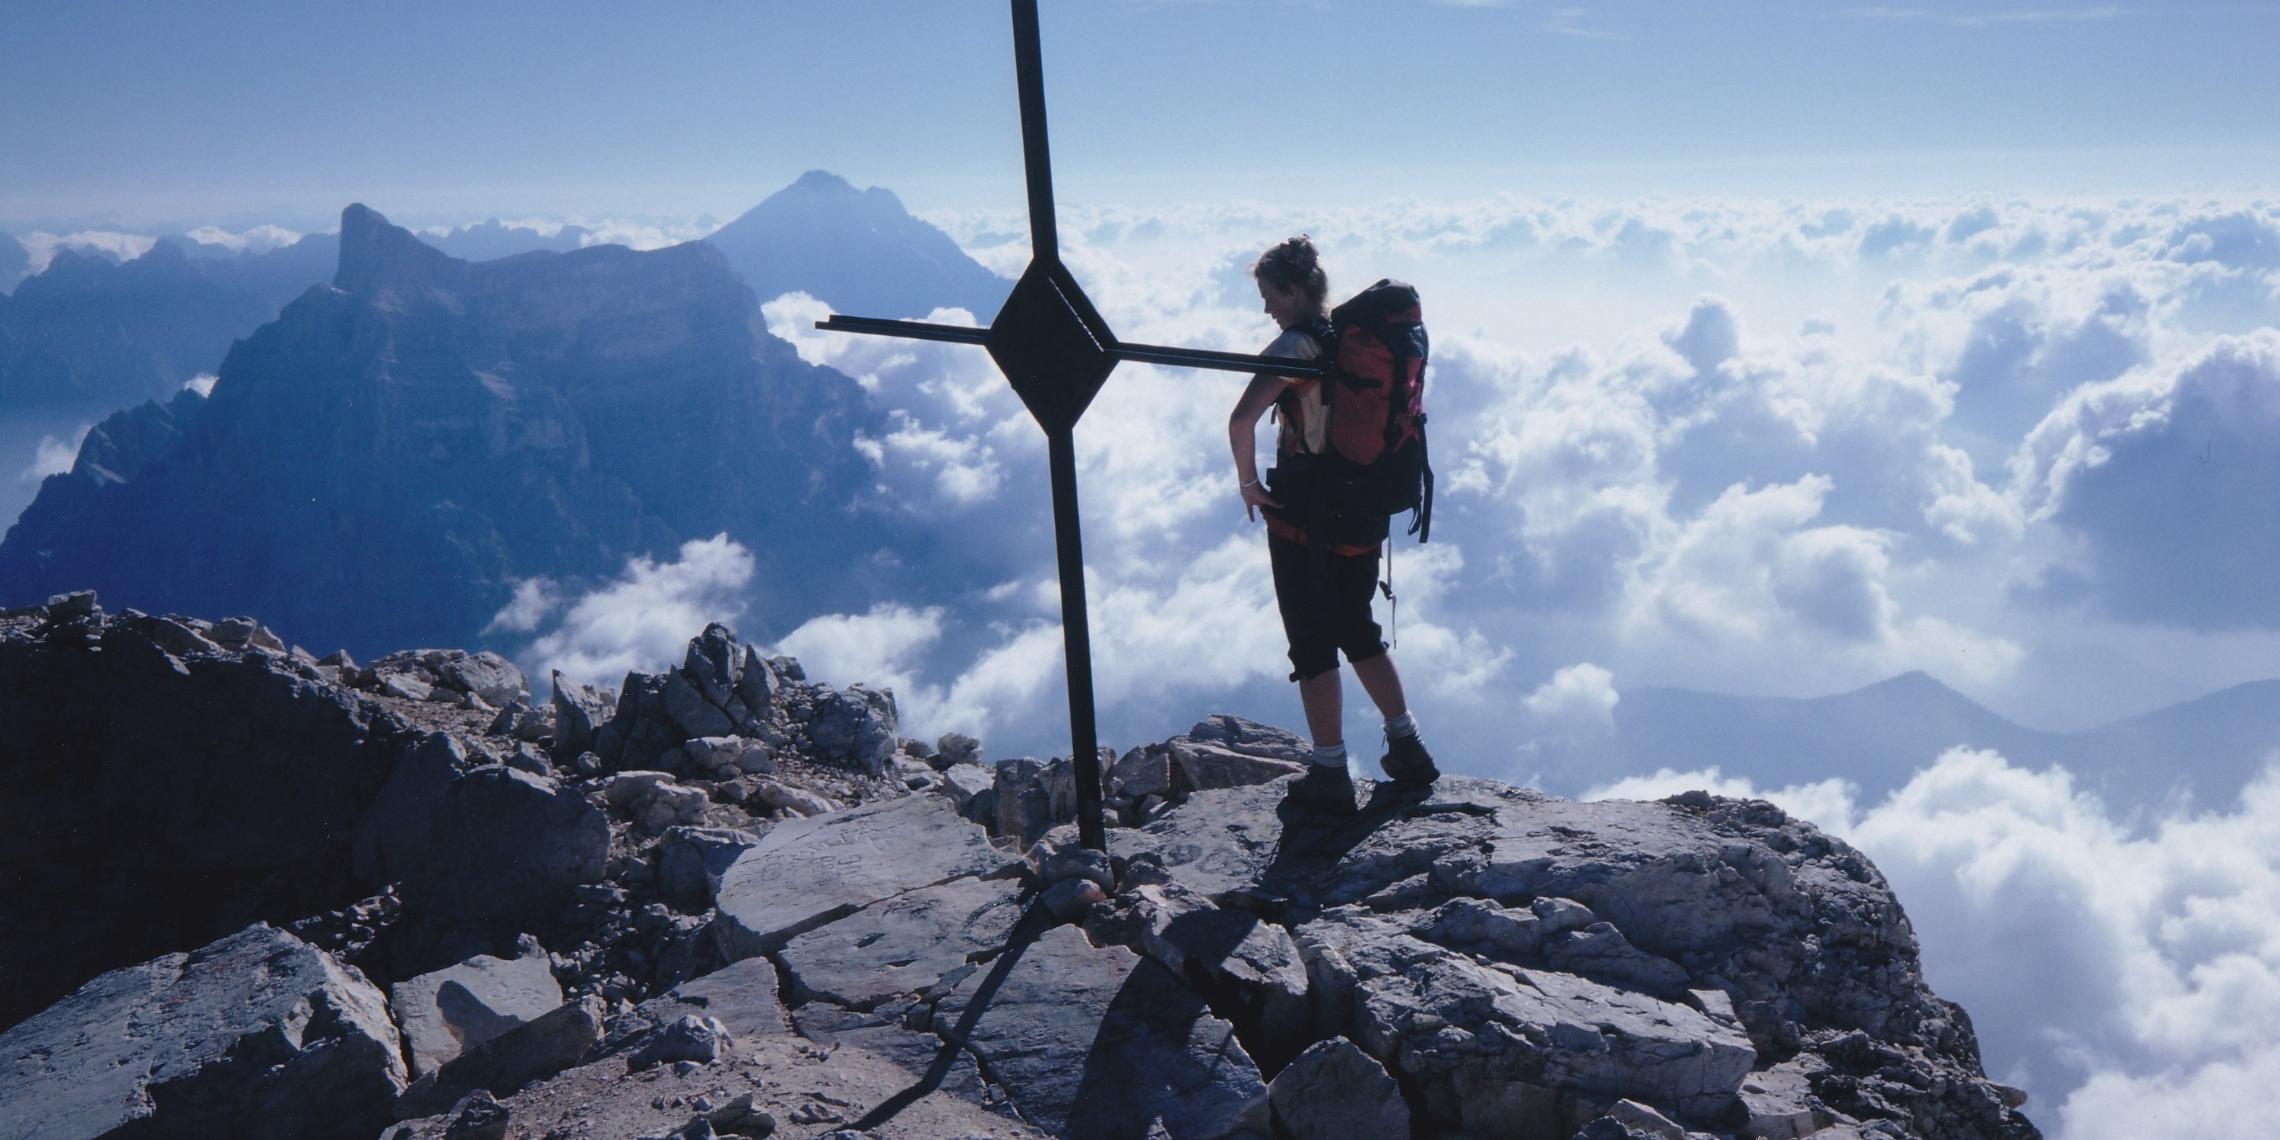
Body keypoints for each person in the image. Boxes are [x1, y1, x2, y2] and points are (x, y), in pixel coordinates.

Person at [1228, 235, 1437, 816]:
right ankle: (1408, 746)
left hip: (1305, 518)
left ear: (1294, 291)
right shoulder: (1351, 348)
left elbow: (1241, 420)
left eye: (1270, 295)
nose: (1267, 308)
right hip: (1365, 508)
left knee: (1311, 643)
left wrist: (1250, 486)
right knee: (1358, 627)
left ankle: (1328, 772)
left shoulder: (1296, 345)